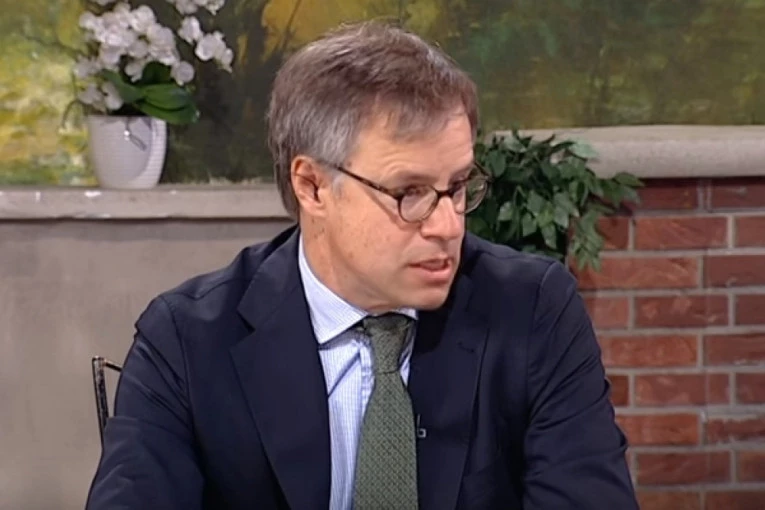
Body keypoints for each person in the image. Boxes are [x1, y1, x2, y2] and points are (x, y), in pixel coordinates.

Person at [86, 20, 638, 510]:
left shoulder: (531, 311)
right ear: (312, 186)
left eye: (457, 187)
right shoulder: (188, 341)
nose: (448, 225)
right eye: (409, 193)